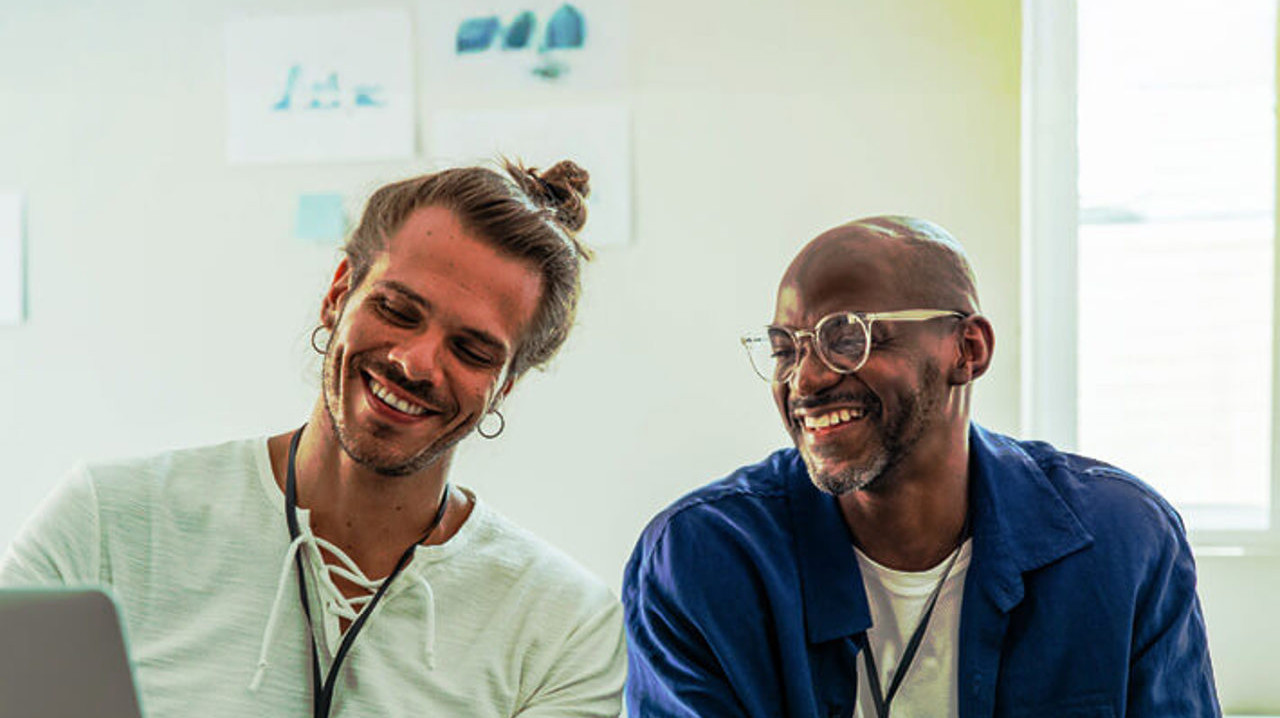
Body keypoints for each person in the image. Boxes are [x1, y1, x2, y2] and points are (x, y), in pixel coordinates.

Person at [1, 160, 626, 718]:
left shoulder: (566, 627)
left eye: (470, 349)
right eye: (397, 310)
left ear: (505, 386)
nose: (415, 362)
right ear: (338, 294)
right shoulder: (108, 520)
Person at [622, 216, 1220, 717]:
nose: (805, 380)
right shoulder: (699, 560)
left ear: (968, 349)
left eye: (847, 338)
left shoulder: (1122, 542)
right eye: (785, 350)